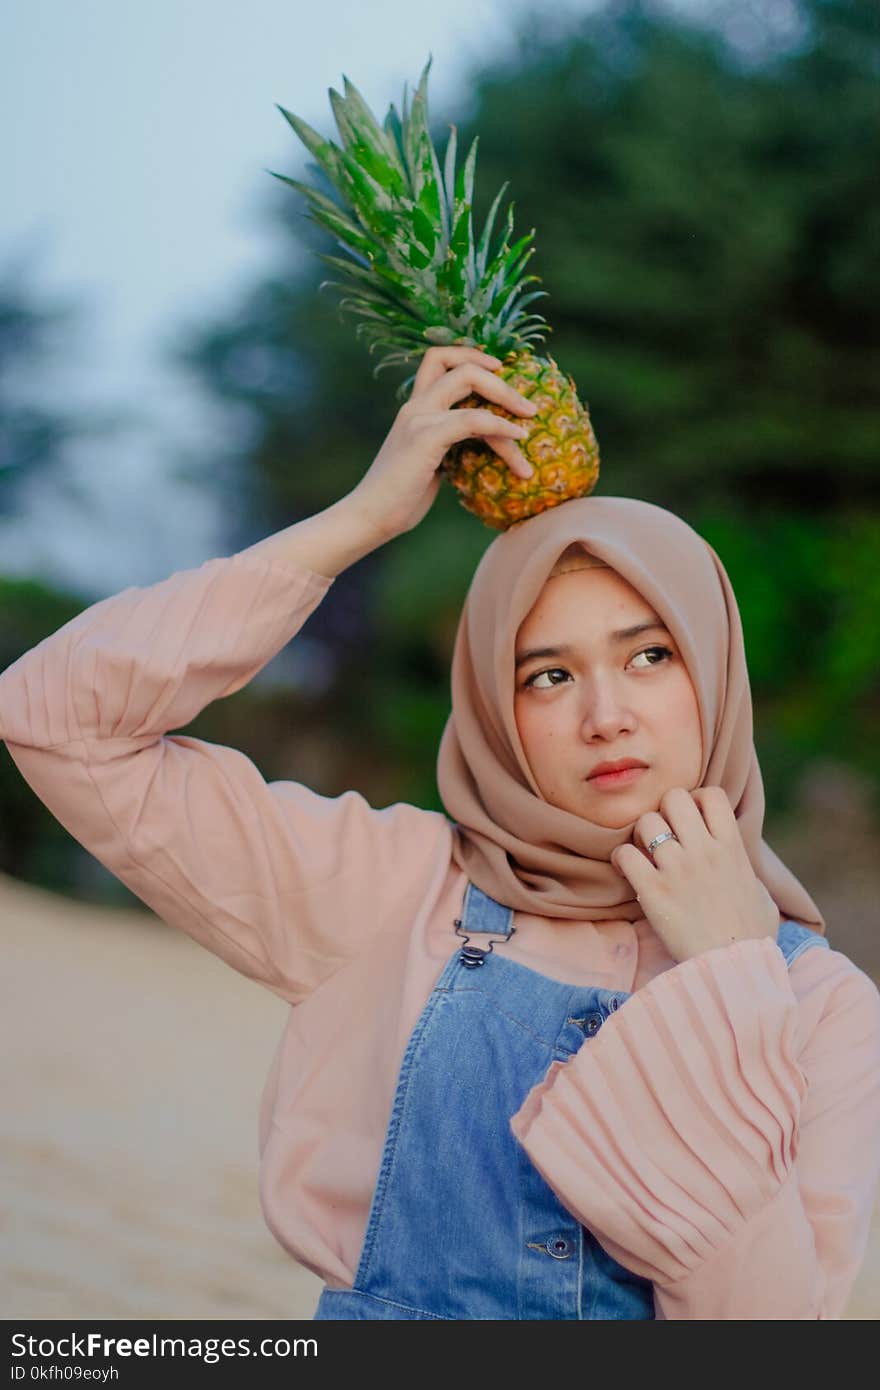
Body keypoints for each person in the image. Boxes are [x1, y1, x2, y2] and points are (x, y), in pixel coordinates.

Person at [2, 345, 879, 1321]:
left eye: (648, 655)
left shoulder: (819, 1002)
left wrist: (726, 967)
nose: (605, 715)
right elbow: (56, 718)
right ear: (494, 708)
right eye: (547, 674)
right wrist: (358, 520)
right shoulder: (393, 888)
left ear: (714, 671)